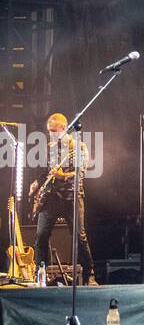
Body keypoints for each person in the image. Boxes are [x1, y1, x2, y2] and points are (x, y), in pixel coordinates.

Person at [30, 113, 96, 285]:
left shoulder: (78, 147)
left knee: (79, 236)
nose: (50, 134)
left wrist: (62, 175)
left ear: (63, 128)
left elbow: (80, 174)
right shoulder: (50, 147)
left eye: (53, 131)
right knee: (41, 235)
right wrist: (37, 182)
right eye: (48, 131)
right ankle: (42, 273)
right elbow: (48, 171)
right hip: (51, 197)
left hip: (71, 196)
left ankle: (90, 273)